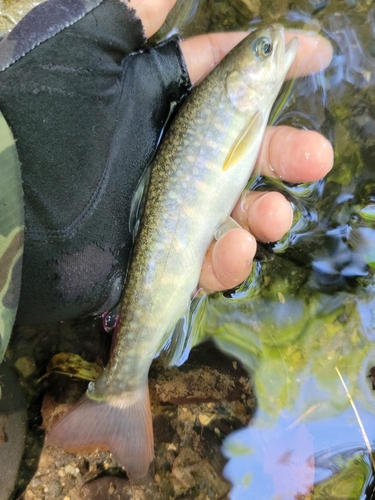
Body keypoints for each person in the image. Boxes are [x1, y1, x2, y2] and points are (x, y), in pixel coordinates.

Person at [0, 0, 333, 363]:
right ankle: (127, 375)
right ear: (237, 80)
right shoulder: (246, 114)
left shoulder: (245, 107)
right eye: (264, 50)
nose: (274, 45)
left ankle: (128, 370)